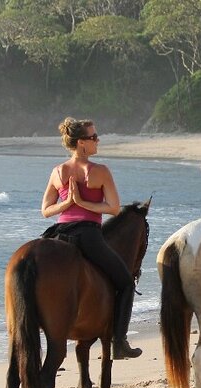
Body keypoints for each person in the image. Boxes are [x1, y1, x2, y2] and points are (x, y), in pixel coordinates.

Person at [41, 117, 142, 359]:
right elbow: (114, 208)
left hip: (60, 234)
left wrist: (68, 203)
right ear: (81, 143)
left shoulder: (58, 171)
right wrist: (83, 203)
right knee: (126, 282)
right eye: (94, 137)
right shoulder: (99, 171)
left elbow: (45, 210)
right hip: (87, 235)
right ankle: (119, 342)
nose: (98, 140)